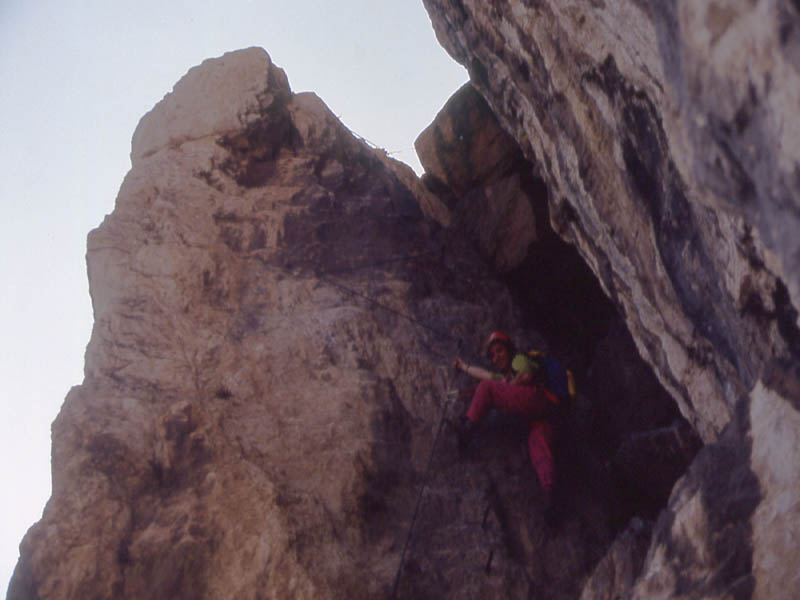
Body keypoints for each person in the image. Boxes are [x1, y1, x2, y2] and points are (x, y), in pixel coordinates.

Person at [454, 331, 559, 500]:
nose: (497, 357)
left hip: (538, 397)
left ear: (509, 349)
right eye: (493, 356)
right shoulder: (506, 375)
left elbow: (527, 374)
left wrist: (509, 384)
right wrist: (464, 367)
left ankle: (468, 427)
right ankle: (550, 494)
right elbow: (486, 374)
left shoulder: (518, 358)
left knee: (487, 388)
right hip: (547, 415)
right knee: (537, 446)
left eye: (500, 351)